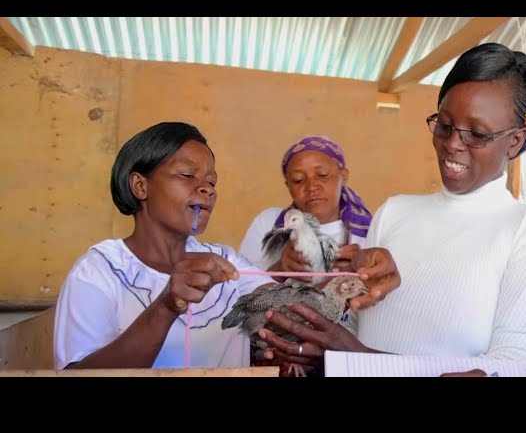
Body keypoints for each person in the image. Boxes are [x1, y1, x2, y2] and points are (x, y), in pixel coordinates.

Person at [257, 42, 526, 377]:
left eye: (477, 134)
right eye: (444, 125)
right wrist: (335, 303)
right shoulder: (394, 212)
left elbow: (509, 366)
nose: (451, 144)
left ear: (516, 140)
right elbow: (357, 327)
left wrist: (358, 358)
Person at [53, 122, 399, 371]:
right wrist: (165, 307)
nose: (206, 189)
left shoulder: (224, 263)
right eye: (188, 176)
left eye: (211, 182)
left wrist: (353, 278)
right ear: (140, 186)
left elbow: (290, 305)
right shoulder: (100, 270)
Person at [239, 135, 373, 335]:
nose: (311, 187)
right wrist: (280, 268)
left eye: (322, 175)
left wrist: (360, 273)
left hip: (347, 347)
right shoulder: (269, 224)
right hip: (278, 347)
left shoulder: (370, 233)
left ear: (343, 175)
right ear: (288, 186)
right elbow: (238, 296)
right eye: (299, 180)